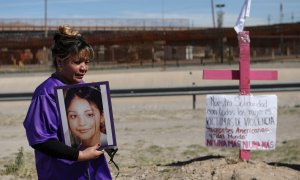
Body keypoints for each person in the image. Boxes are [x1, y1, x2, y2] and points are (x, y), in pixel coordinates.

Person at [23, 25, 112, 180]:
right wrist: (80, 155)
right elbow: (41, 140)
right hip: (62, 173)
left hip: (93, 173)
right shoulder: (46, 93)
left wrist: (106, 140)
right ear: (60, 61)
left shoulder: (85, 88)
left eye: (86, 62)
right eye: (78, 62)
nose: (84, 67)